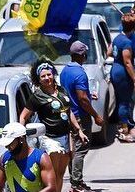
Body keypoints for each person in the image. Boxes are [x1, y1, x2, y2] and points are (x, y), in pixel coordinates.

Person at [19, 58, 86, 192]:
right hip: (50, 139)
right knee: (53, 175)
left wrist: (78, 130)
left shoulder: (62, 91)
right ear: (38, 79)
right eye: (43, 76)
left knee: (61, 174)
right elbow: (23, 116)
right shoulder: (37, 96)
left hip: (66, 137)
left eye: (49, 74)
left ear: (53, 74)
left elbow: (68, 111)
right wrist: (21, 134)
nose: (47, 78)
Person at [60, 41, 104, 192]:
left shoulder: (65, 71)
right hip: (80, 116)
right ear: (82, 55)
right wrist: (96, 115)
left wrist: (88, 95)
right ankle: (76, 184)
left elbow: (71, 92)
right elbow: (82, 99)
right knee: (81, 149)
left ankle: (76, 181)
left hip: (69, 114)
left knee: (74, 149)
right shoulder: (80, 73)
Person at [0, 122, 56, 192]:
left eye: (10, 143)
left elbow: (51, 188)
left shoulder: (40, 158)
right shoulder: (5, 159)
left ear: (21, 139)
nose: (7, 147)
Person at [110, 13, 135, 142]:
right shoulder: (126, 42)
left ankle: (124, 128)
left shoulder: (117, 38)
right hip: (123, 73)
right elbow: (128, 62)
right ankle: (124, 132)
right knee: (125, 102)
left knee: (121, 101)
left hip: (115, 69)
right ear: (134, 27)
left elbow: (109, 52)